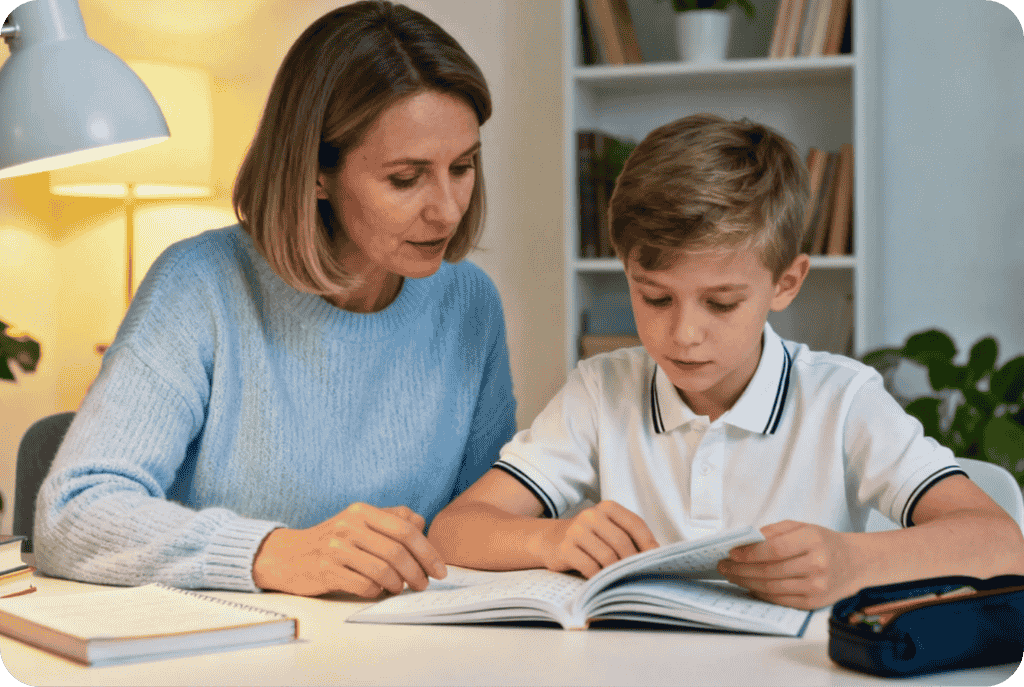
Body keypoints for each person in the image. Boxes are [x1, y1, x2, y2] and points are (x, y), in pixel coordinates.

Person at [427, 114, 1024, 610]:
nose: (683, 334)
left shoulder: (842, 399)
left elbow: (1002, 544)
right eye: (654, 296)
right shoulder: (600, 390)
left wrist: (851, 562)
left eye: (721, 302)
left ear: (786, 283)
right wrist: (552, 539)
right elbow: (455, 530)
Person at [35, 0, 516, 598]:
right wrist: (271, 552)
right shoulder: (200, 285)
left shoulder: (470, 303)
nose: (446, 208)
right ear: (316, 170)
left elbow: (480, 519)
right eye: (405, 178)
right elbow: (73, 515)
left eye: (463, 167)